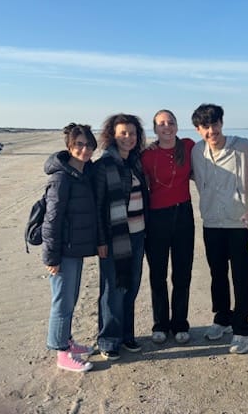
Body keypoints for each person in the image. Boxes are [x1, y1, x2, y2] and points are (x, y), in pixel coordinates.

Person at [190, 103, 248, 354]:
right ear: (198, 129)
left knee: (241, 277)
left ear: (222, 123)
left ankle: (242, 328)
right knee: (217, 274)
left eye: (215, 124)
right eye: (205, 126)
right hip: (211, 223)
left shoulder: (243, 147)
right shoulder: (197, 151)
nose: (211, 131)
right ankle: (222, 318)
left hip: (240, 223)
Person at [42, 123, 99, 373]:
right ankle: (61, 352)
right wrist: (51, 258)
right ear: (69, 146)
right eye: (79, 144)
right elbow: (51, 220)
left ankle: (67, 341)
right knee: (62, 302)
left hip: (74, 249)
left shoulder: (83, 174)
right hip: (62, 251)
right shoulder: (61, 178)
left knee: (71, 298)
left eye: (88, 145)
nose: (84, 149)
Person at [94, 113, 149, 361]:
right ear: (113, 136)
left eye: (133, 133)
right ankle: (109, 339)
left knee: (131, 287)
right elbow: (98, 207)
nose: (129, 137)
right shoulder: (104, 165)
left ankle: (127, 335)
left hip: (138, 235)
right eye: (123, 133)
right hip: (114, 238)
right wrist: (101, 240)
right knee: (112, 290)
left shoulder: (135, 162)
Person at [141, 110, 196, 345]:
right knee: (158, 274)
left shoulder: (189, 146)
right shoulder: (146, 155)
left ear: (177, 125)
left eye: (171, 122)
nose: (167, 127)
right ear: (155, 129)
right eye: (161, 123)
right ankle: (160, 324)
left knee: (182, 273)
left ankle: (180, 323)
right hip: (156, 218)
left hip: (183, 214)